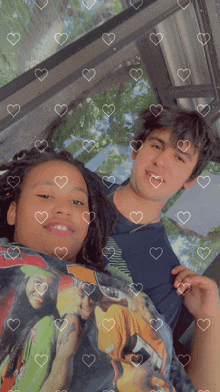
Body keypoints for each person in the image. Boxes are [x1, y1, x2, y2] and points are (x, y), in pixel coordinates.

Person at [0, 146, 219, 391]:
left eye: (77, 201)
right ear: (13, 211)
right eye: (45, 196)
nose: (65, 208)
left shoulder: (135, 295)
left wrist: (209, 318)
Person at [95, 105, 220, 333]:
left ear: (190, 180)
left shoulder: (166, 280)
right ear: (136, 150)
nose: (161, 161)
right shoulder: (79, 185)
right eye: (156, 146)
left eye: (180, 158)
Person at [0, 266, 60, 391]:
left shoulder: (45, 325)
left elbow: (31, 387)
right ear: (26, 281)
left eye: (50, 287)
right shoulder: (22, 320)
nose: (42, 292)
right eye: (38, 282)